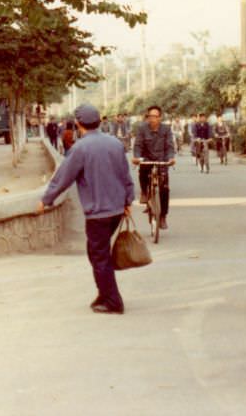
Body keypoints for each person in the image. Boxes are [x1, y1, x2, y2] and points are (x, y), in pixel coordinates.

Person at [36, 104, 134, 314]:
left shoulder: (79, 149)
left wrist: (46, 200)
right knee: (99, 254)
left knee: (99, 256)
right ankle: (104, 293)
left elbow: (63, 178)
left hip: (97, 213)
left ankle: (113, 301)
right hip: (116, 209)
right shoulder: (115, 143)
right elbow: (126, 175)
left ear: (78, 123)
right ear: (99, 121)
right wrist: (128, 201)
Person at [132, 105, 176, 229]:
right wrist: (136, 157)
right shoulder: (142, 128)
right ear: (147, 117)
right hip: (147, 159)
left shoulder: (166, 129)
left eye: (155, 117)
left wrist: (171, 158)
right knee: (142, 171)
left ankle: (162, 217)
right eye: (150, 116)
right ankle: (145, 192)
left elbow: (169, 146)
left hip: (162, 161)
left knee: (164, 189)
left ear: (160, 118)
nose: (152, 119)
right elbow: (138, 145)